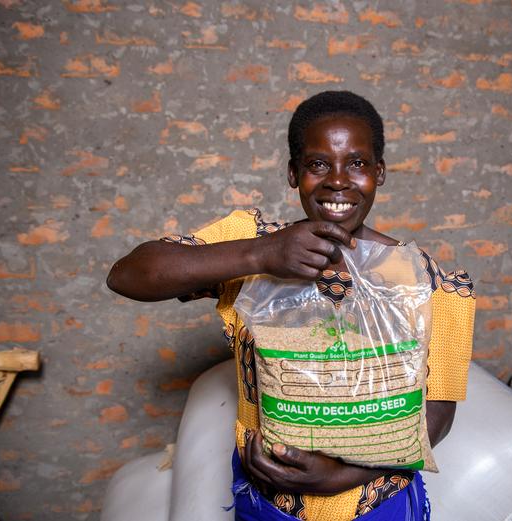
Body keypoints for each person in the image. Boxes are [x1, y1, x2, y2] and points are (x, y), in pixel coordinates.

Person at [107, 91, 476, 520]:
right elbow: (128, 275)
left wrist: (337, 476)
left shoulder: (424, 280)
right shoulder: (255, 242)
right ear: (293, 173)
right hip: (265, 503)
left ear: (379, 172)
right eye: (318, 164)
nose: (338, 180)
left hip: (376, 504)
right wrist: (261, 254)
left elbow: (436, 415)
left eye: (357, 163)